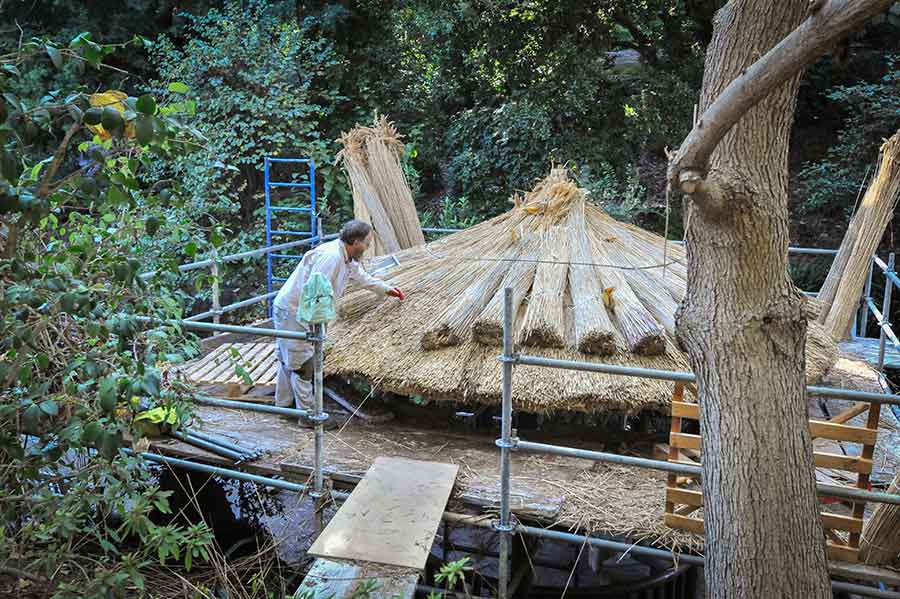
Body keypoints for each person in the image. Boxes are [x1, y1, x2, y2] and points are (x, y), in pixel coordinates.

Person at [271, 219, 404, 425]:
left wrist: (387, 290)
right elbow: (314, 293)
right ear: (355, 241)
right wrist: (316, 326)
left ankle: (284, 406)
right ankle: (308, 416)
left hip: (297, 311)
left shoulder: (346, 257)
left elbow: (361, 277)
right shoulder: (331, 257)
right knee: (303, 365)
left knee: (288, 360)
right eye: (367, 243)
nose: (368, 247)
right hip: (295, 312)